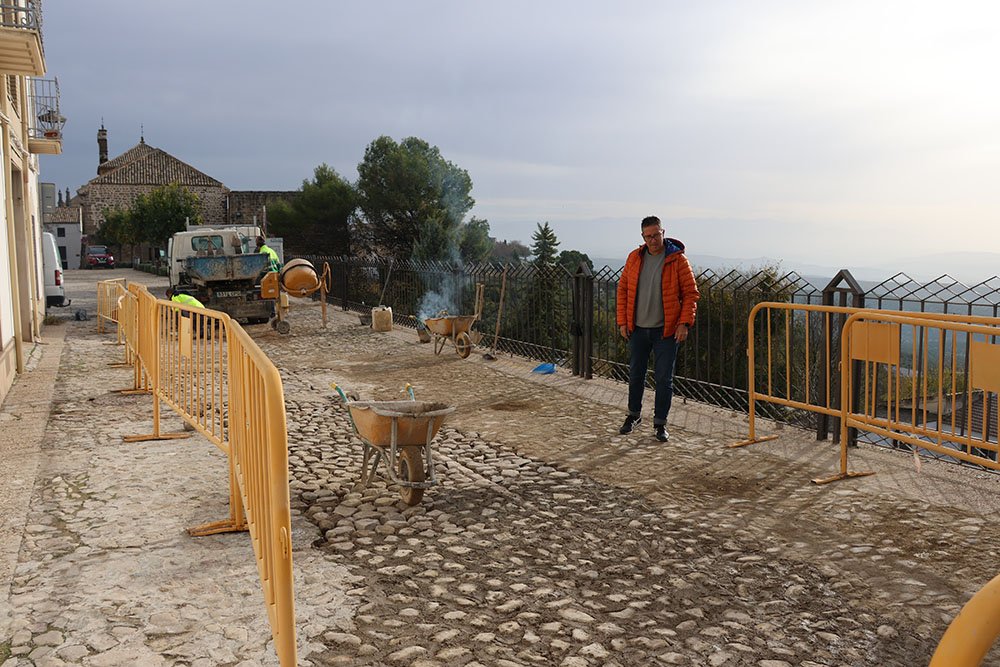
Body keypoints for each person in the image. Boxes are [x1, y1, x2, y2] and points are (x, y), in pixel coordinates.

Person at [616, 215, 700, 442]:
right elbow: (623, 290)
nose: (653, 240)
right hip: (638, 329)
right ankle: (633, 415)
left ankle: (660, 423)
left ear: (663, 232)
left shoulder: (678, 260)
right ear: (643, 237)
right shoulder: (634, 258)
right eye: (648, 236)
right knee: (635, 375)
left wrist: (684, 323)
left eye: (656, 234)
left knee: (664, 379)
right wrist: (623, 321)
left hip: (666, 331)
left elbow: (691, 294)